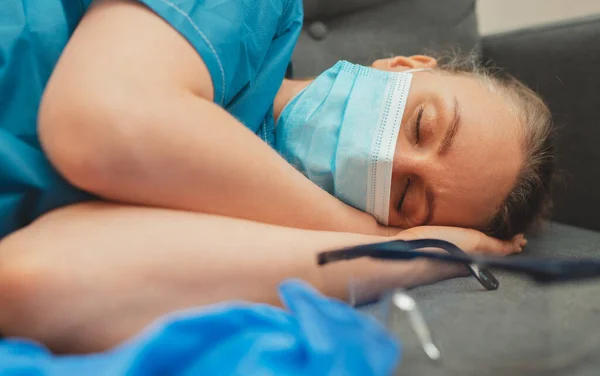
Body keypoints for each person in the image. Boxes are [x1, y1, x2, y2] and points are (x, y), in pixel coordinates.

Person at [0, 0, 551, 352]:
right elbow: (98, 124)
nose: (395, 161)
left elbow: (27, 278)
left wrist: (410, 255)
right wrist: (378, 234)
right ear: (404, 68)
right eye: (423, 124)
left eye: (407, 196)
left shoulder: (257, 233)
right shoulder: (256, 13)